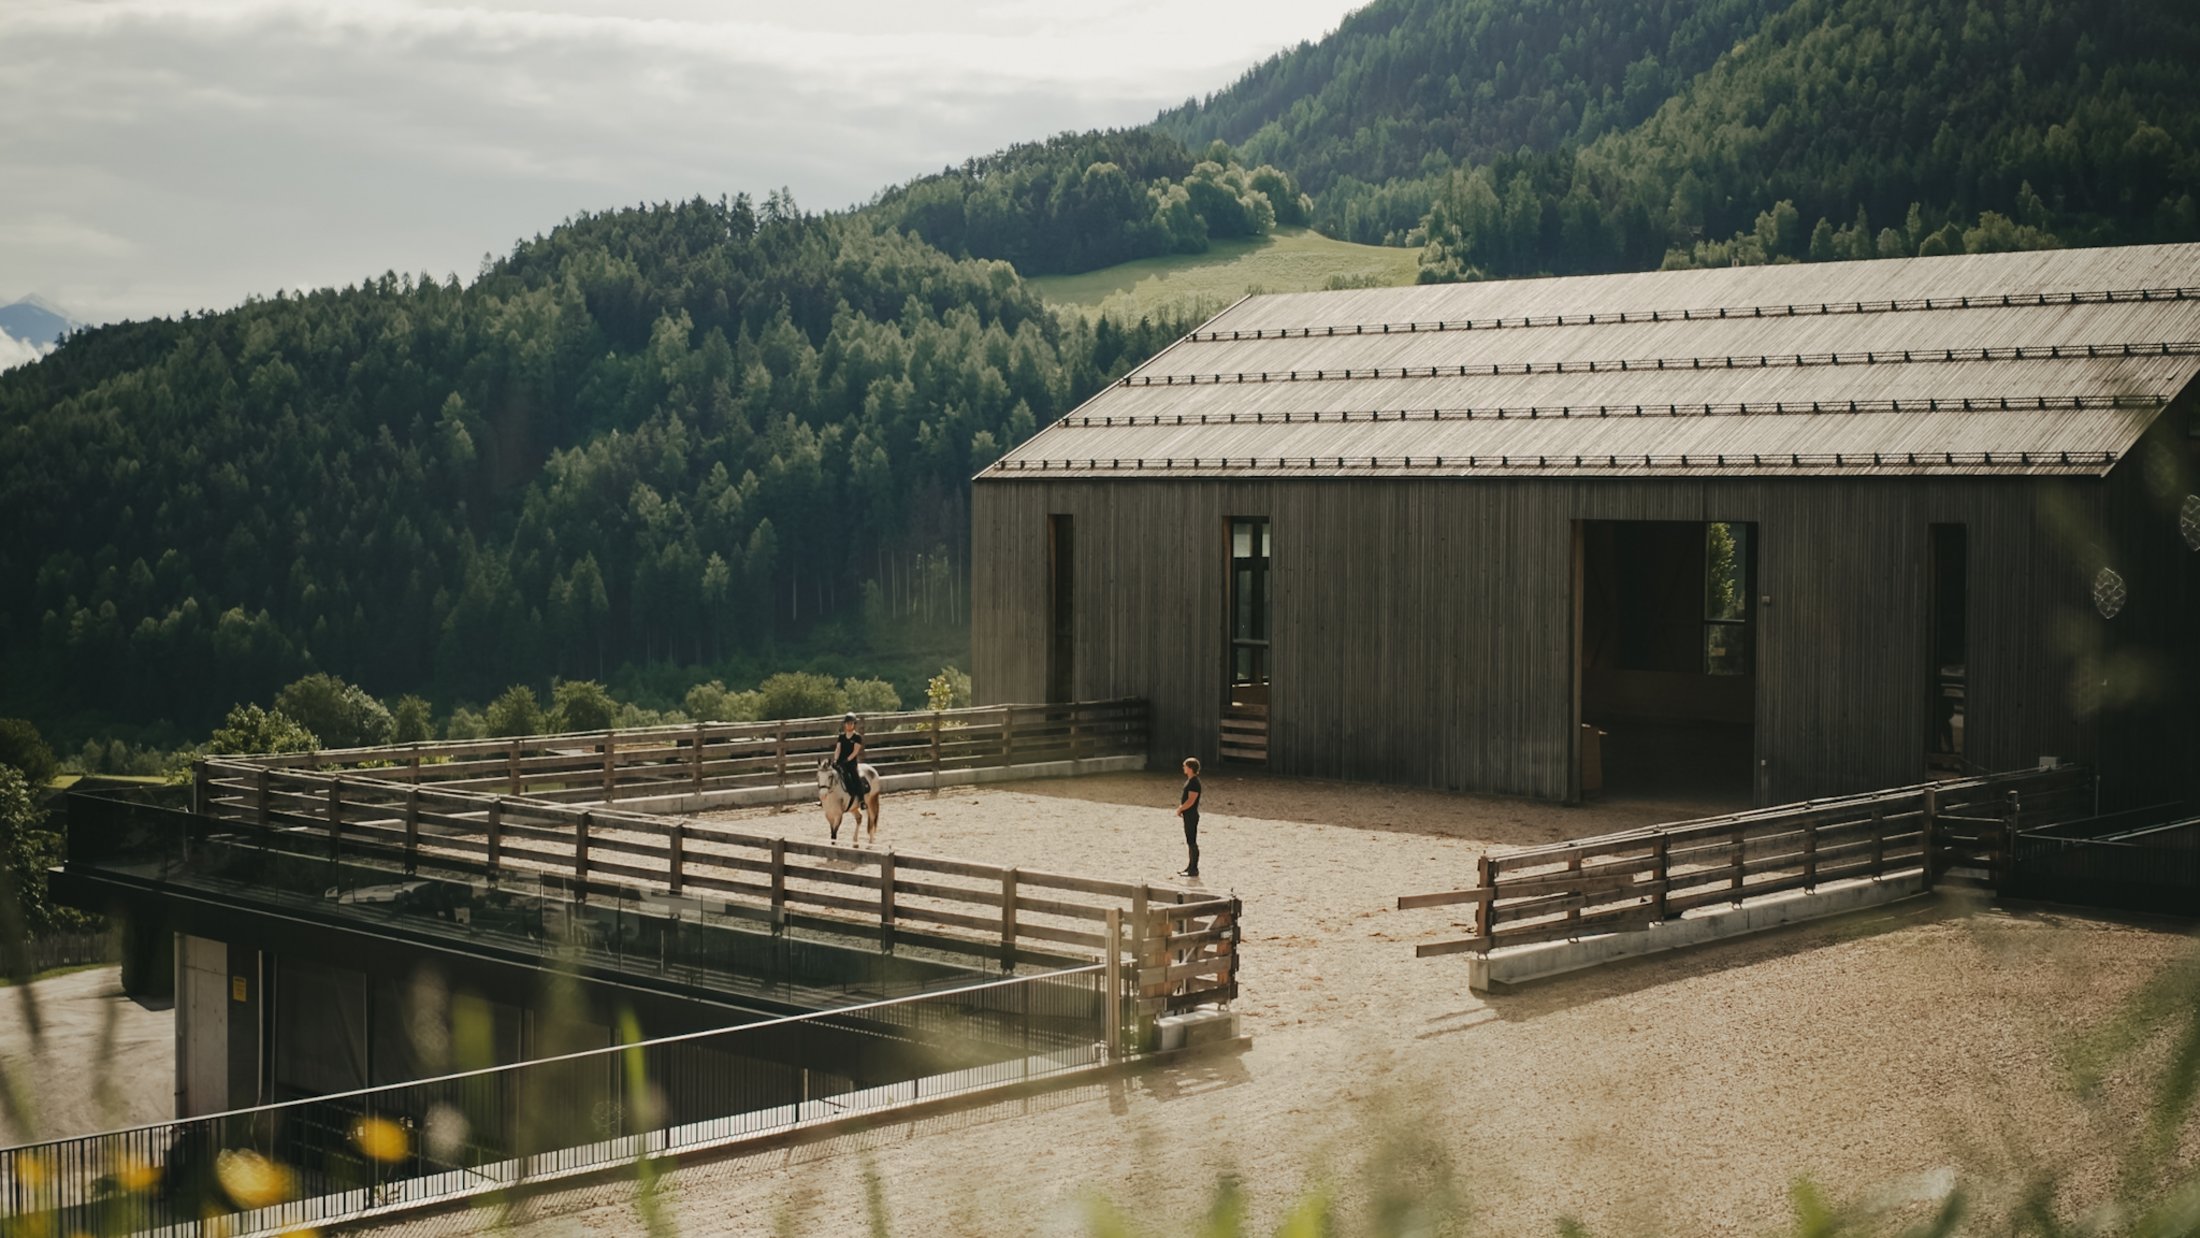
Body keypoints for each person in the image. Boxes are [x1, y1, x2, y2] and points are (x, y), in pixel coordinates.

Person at [1174, 757, 1202, 877]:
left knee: (1192, 842)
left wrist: (1181, 808)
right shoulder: (1191, 781)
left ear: (1190, 768)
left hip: (1191, 815)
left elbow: (1191, 800)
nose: (1183, 768)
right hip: (1188, 814)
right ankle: (1190, 867)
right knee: (1190, 841)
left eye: (1185, 766)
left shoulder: (1194, 783)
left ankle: (1193, 869)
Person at [834, 713, 868, 803]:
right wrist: (835, 759)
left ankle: (861, 799)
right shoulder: (841, 736)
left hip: (851, 762)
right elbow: (838, 749)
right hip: (840, 761)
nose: (849, 725)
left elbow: (855, 751)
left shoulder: (857, 737)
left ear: (854, 725)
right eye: (847, 723)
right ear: (845, 724)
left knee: (855, 777)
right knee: (829, 776)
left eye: (851, 723)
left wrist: (847, 760)